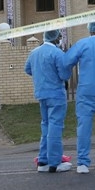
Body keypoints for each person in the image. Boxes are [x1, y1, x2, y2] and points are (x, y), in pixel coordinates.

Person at [63, 20, 95, 174]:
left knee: (84, 127)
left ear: (89, 29)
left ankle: (83, 163)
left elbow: (67, 61)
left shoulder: (82, 44)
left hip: (86, 91)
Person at [25, 29, 72, 173]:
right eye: (59, 36)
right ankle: (55, 162)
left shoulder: (34, 52)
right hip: (56, 94)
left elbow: (27, 69)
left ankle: (43, 161)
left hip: (41, 94)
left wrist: (41, 75)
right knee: (55, 127)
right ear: (56, 38)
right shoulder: (58, 53)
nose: (60, 39)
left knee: (45, 126)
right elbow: (64, 74)